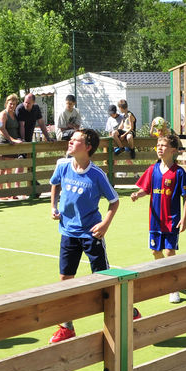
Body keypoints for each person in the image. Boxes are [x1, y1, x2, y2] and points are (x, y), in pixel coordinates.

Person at [48, 128, 121, 343]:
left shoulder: (97, 175)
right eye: (70, 139)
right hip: (67, 232)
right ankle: (67, 327)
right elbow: (54, 183)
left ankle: (126, 311)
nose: (70, 142)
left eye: (75, 140)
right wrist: (53, 206)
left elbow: (114, 201)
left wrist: (105, 224)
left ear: (87, 147)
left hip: (91, 233)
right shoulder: (62, 165)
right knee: (65, 279)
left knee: (103, 278)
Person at [130, 132, 186, 303]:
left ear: (173, 150)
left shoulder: (179, 173)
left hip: (172, 220)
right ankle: (168, 275)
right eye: (158, 145)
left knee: (170, 252)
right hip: (155, 220)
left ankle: (173, 288)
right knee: (155, 251)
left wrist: (184, 218)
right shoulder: (152, 169)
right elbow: (146, 189)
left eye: (163, 145)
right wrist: (137, 194)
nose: (160, 148)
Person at [0, 94, 27, 196]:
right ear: (6, 103)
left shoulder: (15, 115)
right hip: (3, 142)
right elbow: (2, 130)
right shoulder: (3, 114)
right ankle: (1, 192)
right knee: (2, 167)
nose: (12, 106)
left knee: (10, 168)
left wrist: (18, 139)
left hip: (13, 144)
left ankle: (9, 192)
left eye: (14, 104)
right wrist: (12, 139)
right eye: (10, 103)